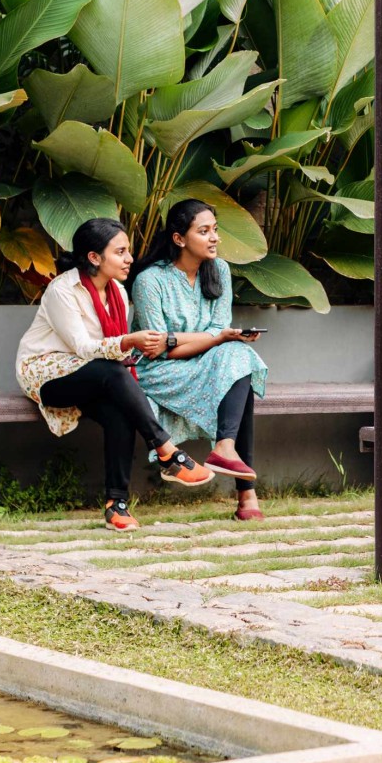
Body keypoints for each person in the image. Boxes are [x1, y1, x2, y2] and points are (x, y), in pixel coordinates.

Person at [15, 217, 216, 532]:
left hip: (96, 373)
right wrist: (125, 342)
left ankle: (116, 505)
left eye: (128, 251)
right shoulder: (63, 290)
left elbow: (114, 354)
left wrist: (137, 350)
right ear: (94, 258)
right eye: (120, 252)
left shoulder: (118, 293)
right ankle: (166, 450)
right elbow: (82, 347)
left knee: (117, 410)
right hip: (47, 375)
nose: (129, 259)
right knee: (110, 372)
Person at [130, 199, 266, 522]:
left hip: (205, 363)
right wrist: (213, 339)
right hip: (159, 372)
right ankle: (246, 492)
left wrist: (202, 339)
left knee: (240, 357)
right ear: (179, 239)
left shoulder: (219, 270)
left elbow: (218, 330)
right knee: (235, 361)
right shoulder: (149, 281)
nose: (214, 238)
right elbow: (157, 349)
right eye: (204, 231)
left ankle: (225, 447)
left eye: (215, 230)